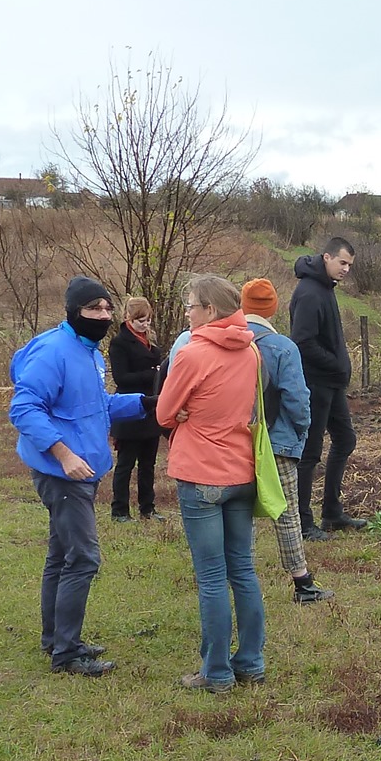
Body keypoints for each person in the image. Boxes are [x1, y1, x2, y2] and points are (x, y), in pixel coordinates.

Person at [9, 277, 146, 676]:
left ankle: (55, 638)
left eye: (107, 308)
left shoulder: (88, 351)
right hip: (63, 474)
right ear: (74, 312)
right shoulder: (55, 351)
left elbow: (95, 405)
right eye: (93, 309)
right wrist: (63, 454)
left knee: (60, 554)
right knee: (83, 558)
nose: (102, 316)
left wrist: (147, 403)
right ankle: (67, 654)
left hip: (84, 470)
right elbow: (24, 408)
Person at [157, 275, 267, 693]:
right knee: (243, 568)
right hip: (242, 472)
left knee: (211, 576)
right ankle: (251, 662)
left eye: (191, 306)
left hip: (202, 473)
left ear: (211, 311)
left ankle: (217, 673)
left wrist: (184, 413)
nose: (187, 313)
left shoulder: (192, 353)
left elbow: (164, 413)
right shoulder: (252, 350)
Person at [240, 278, 330, 603]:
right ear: (274, 308)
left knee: (243, 513)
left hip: (237, 442)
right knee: (288, 513)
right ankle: (302, 583)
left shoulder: (230, 341)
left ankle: (244, 584)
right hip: (277, 444)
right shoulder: (282, 347)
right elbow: (297, 400)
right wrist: (301, 432)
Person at [289, 235, 366, 541]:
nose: (346, 269)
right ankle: (303, 522)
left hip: (331, 384)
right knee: (310, 452)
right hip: (315, 383)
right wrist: (335, 364)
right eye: (342, 262)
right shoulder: (309, 292)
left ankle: (332, 513)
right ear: (326, 257)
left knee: (345, 439)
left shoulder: (326, 287)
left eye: (349, 264)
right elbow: (302, 342)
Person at [107, 297, 164, 522]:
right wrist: (151, 373)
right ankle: (119, 510)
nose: (144, 324)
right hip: (129, 409)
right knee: (126, 463)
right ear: (128, 318)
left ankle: (147, 508)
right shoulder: (119, 343)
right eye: (140, 320)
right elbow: (121, 377)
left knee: (148, 464)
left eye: (148, 320)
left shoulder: (153, 345)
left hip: (151, 409)